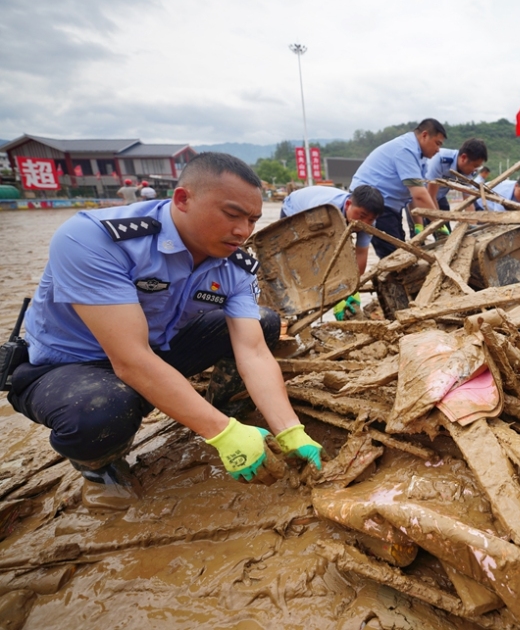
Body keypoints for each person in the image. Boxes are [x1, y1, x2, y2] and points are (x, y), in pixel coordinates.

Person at [7, 152, 323, 497]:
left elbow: (253, 352)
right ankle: (98, 466)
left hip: (158, 348)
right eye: (232, 215)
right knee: (99, 411)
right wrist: (221, 434)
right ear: (182, 199)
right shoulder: (94, 239)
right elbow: (130, 360)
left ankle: (223, 410)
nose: (243, 231)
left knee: (263, 322)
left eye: (252, 219)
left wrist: (291, 431)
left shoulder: (236, 263)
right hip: (72, 365)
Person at [350, 119, 446, 258]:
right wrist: (439, 225)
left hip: (390, 207)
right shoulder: (406, 150)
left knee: (399, 251)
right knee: (395, 257)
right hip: (371, 203)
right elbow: (420, 195)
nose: (438, 150)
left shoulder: (421, 158)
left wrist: (419, 227)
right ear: (424, 135)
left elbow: (415, 197)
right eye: (437, 143)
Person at [280, 184, 384, 275]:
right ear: (348, 205)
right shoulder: (325, 208)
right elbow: (315, 245)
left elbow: (361, 253)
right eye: (362, 216)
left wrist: (355, 283)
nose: (364, 223)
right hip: (295, 210)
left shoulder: (369, 224)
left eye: (370, 219)